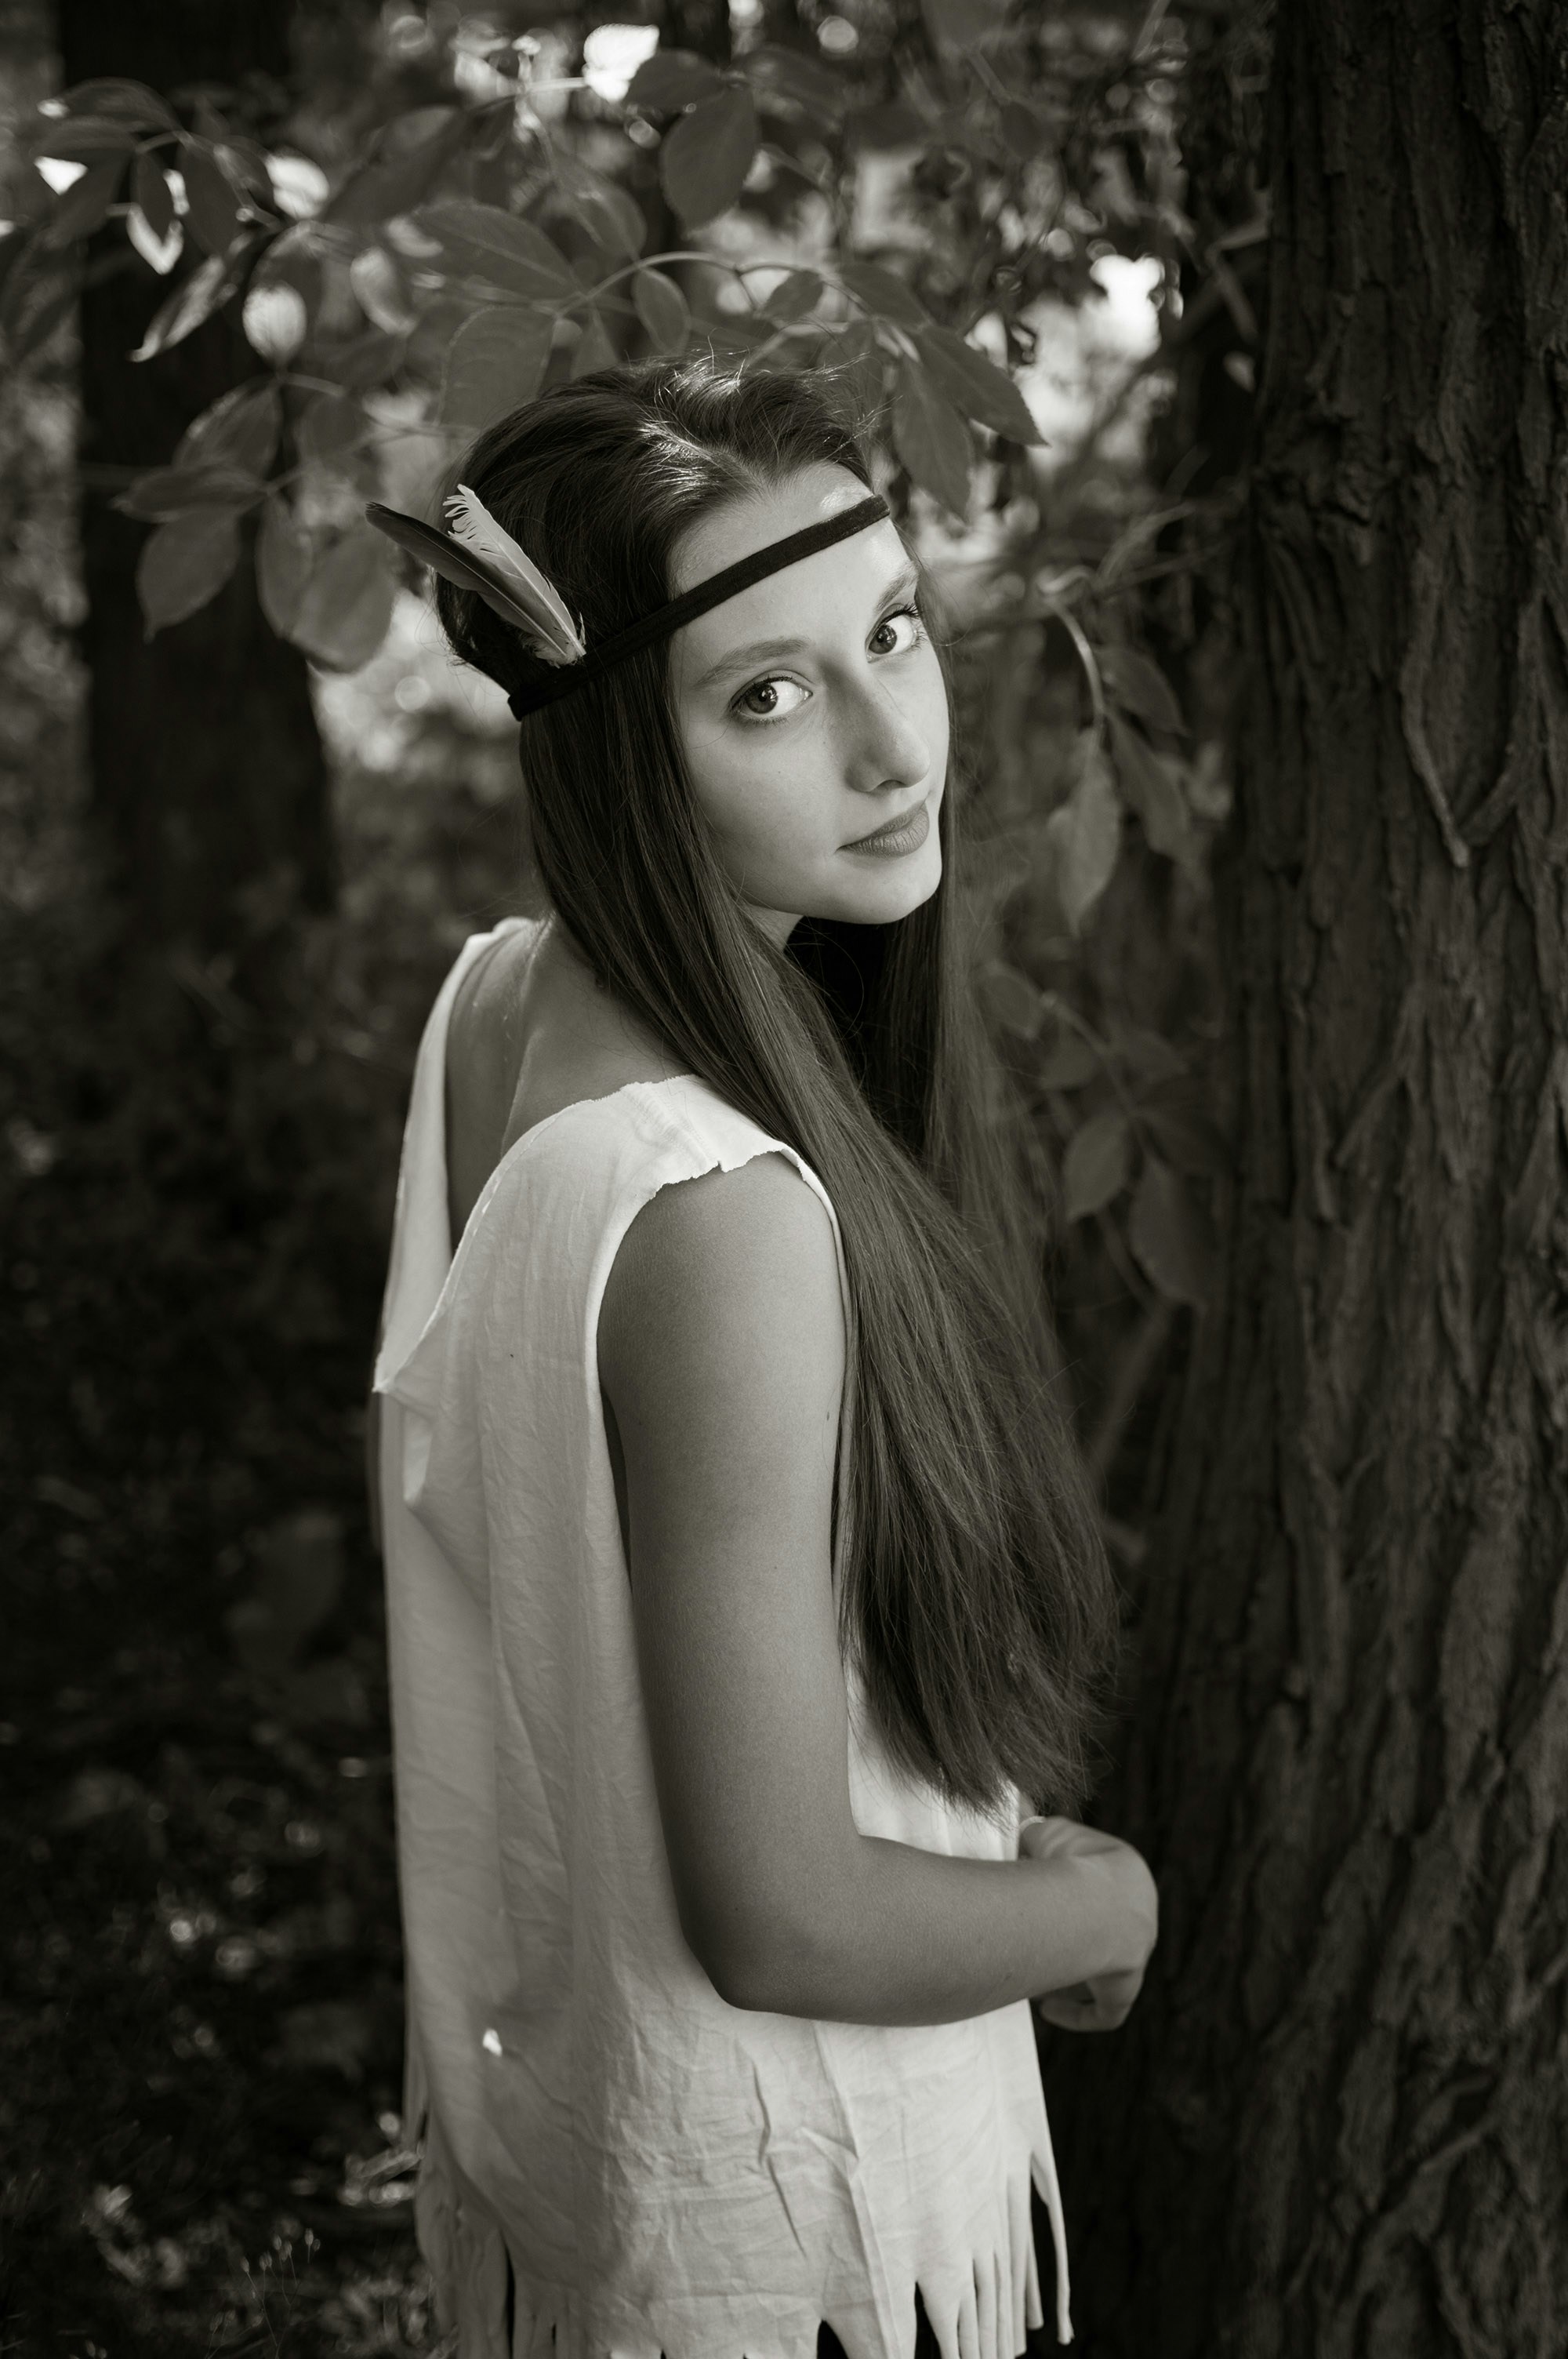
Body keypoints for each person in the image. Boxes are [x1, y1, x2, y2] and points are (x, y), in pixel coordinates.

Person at [368, 355, 1157, 2359]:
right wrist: (1107, 1906)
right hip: (792, 2253)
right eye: (767, 695)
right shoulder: (722, 1212)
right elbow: (782, 1910)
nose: (897, 749)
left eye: (892, 630)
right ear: (632, 752)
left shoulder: (496, 1008)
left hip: (587, 2175)